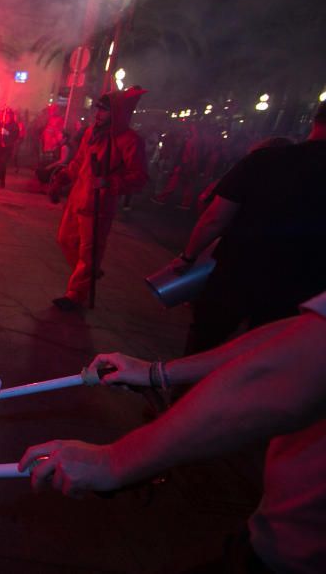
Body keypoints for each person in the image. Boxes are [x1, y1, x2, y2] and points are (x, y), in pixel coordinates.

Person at [20, 291, 326, 574]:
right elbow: (297, 335)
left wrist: (114, 461)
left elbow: (277, 374)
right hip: (279, 534)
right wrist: (159, 373)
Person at [168, 100, 326, 354]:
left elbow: (215, 217)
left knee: (204, 341)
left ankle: (187, 390)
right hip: (298, 287)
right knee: (263, 355)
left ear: (314, 120)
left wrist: (189, 256)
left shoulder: (266, 160)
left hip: (238, 270)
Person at [52, 87, 149, 311]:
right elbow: (79, 163)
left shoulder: (130, 141)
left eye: (104, 110)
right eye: (98, 108)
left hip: (99, 206)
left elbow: (139, 177)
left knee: (89, 253)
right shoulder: (91, 133)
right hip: (78, 200)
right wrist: (63, 178)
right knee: (65, 241)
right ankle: (90, 272)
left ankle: (75, 295)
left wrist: (110, 183)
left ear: (117, 113)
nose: (98, 113)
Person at [0, 107, 20, 188]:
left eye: (8, 116)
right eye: (5, 116)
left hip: (7, 148)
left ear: (11, 116)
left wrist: (7, 133)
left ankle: (2, 181)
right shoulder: (1, 124)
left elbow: (15, 136)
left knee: (2, 164)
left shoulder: (14, 125)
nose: (6, 117)